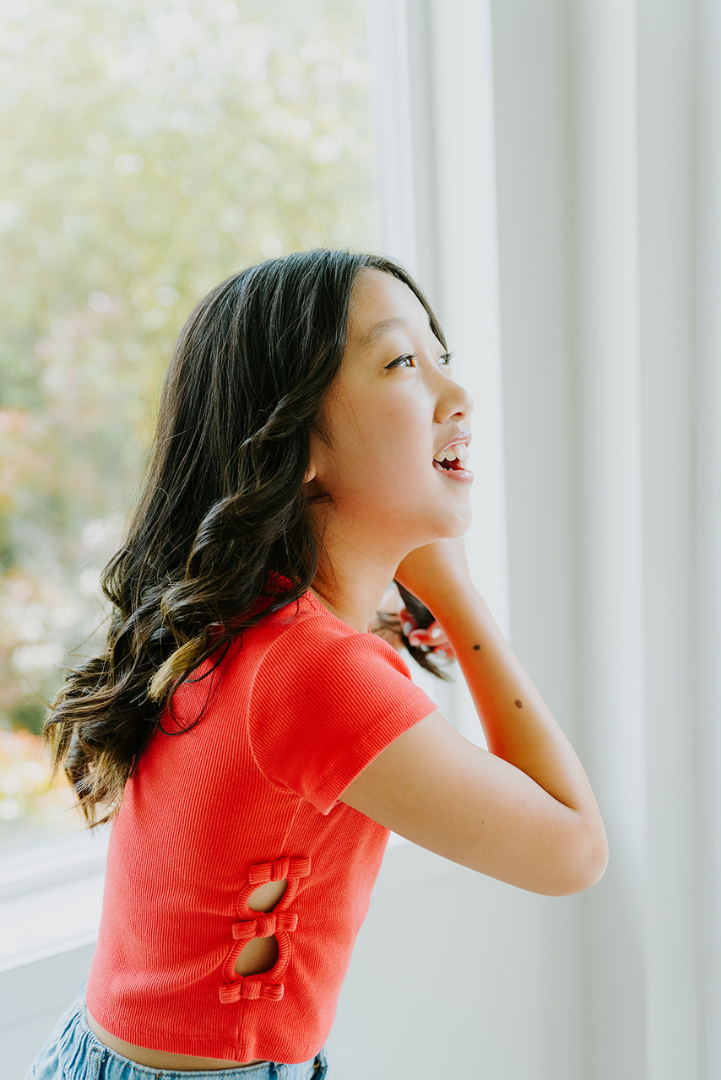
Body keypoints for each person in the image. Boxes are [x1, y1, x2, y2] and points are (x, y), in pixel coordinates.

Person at [27, 248, 608, 1080]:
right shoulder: (316, 671)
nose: (457, 395)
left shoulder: (248, 623)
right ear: (295, 443)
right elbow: (572, 853)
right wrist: (458, 597)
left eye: (441, 356)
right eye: (403, 362)